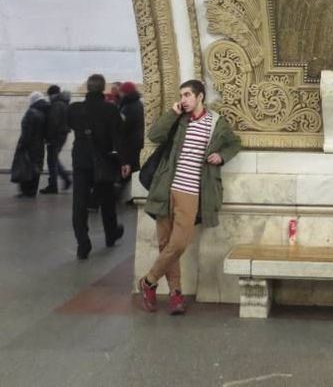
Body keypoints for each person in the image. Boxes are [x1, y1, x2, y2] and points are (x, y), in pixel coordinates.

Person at [137, 79, 242, 315]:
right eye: (181, 95)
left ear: (200, 96)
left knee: (179, 243)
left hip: (191, 191)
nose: (183, 99)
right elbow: (155, 135)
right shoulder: (179, 119)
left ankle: (149, 281)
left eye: (187, 95)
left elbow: (235, 143)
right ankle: (175, 294)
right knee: (166, 243)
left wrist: (221, 156)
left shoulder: (215, 123)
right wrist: (171, 114)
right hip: (165, 187)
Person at [68, 74, 129, 259]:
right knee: (107, 200)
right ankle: (111, 234)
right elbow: (118, 137)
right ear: (103, 88)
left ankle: (83, 243)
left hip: (81, 160)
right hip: (103, 159)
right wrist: (124, 161)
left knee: (79, 203)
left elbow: (68, 125)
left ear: (87, 87)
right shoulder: (110, 110)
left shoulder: (74, 109)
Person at [12, 91, 50, 198]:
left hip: (30, 144)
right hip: (39, 144)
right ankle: (32, 190)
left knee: (25, 166)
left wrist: (22, 145)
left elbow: (27, 131)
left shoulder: (31, 112)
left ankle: (26, 191)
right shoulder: (43, 112)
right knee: (36, 167)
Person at [41, 84, 72, 194]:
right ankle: (65, 179)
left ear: (52, 94)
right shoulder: (64, 103)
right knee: (54, 159)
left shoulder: (56, 105)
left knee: (51, 160)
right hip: (62, 135)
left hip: (55, 136)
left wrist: (48, 138)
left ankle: (53, 185)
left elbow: (52, 123)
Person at [118, 81, 145, 204]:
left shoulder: (128, 106)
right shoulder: (138, 104)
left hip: (130, 142)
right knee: (133, 168)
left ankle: (118, 195)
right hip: (137, 140)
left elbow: (123, 126)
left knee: (127, 169)